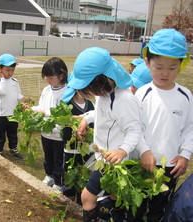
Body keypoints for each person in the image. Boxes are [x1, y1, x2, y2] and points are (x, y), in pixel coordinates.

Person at [61, 47, 143, 222]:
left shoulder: (124, 100)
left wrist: (122, 151)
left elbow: (134, 130)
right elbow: (100, 113)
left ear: (102, 82)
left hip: (114, 160)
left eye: (90, 89)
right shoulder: (104, 95)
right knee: (115, 196)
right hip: (103, 157)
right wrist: (85, 119)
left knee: (87, 197)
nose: (90, 93)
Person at [134, 28, 193, 221]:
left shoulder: (185, 96)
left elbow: (190, 128)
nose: (165, 73)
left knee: (159, 209)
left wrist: (185, 155)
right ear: (147, 63)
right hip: (144, 162)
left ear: (181, 65)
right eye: (159, 67)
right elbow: (135, 128)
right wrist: (144, 151)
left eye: (172, 67)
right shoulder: (142, 94)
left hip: (171, 166)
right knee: (137, 206)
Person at [31, 57, 68, 192]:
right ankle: (49, 175)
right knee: (48, 157)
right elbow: (41, 107)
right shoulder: (47, 90)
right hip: (46, 131)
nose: (48, 80)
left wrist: (44, 113)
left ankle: (59, 183)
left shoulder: (67, 92)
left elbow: (61, 114)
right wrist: (31, 110)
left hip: (59, 133)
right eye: (47, 77)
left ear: (61, 75)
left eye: (51, 77)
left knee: (59, 160)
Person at [61, 79, 95, 204]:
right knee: (69, 173)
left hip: (86, 148)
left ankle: (81, 199)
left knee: (84, 173)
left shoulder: (91, 105)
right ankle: (68, 197)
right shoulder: (67, 104)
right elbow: (61, 120)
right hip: (71, 147)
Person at [0, 53, 24, 159]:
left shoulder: (15, 81)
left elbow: (17, 93)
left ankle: (13, 148)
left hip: (13, 113)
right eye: (7, 70)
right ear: (0, 69)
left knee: (13, 133)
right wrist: (1, 78)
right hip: (2, 114)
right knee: (0, 134)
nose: (10, 73)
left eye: (12, 70)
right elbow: (3, 92)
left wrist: (23, 99)